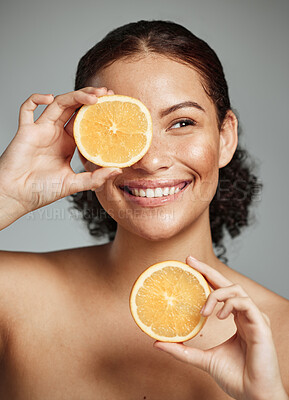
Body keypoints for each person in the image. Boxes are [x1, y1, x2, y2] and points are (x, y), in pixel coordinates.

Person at [0, 19, 288, 400]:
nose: (150, 161)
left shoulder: (282, 333)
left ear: (225, 137)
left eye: (182, 123)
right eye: (118, 129)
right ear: (86, 145)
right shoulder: (13, 298)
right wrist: (7, 192)